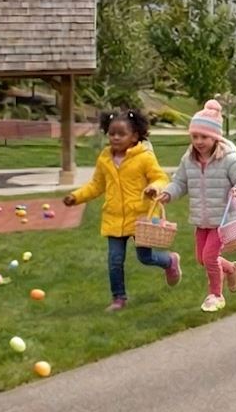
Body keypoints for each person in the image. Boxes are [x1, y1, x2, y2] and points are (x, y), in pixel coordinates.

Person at [63, 108, 177, 312]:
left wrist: (154, 188)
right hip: (114, 219)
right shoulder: (104, 159)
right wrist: (76, 197)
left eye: (121, 134)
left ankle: (170, 261)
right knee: (115, 261)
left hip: (140, 217)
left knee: (145, 257)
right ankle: (119, 298)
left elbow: (161, 178)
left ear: (134, 136)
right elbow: (96, 186)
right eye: (111, 133)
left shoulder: (144, 157)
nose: (115, 138)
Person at [149, 99, 236, 313]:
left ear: (215, 137)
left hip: (222, 221)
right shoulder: (189, 160)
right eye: (195, 136)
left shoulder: (228, 160)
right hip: (201, 220)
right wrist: (168, 193)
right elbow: (180, 182)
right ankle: (231, 269)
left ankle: (216, 295)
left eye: (204, 136)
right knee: (201, 259)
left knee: (209, 257)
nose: (198, 141)